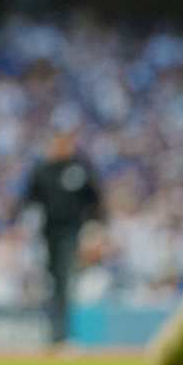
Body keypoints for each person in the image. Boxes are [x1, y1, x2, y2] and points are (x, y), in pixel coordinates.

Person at [23, 122, 104, 346]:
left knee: (65, 281)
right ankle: (55, 334)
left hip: (73, 233)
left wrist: (94, 230)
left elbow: (95, 201)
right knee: (53, 282)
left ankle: (63, 335)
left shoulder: (79, 168)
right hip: (48, 234)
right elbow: (29, 201)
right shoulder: (43, 170)